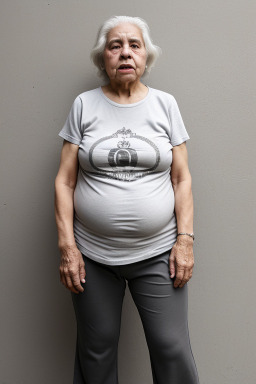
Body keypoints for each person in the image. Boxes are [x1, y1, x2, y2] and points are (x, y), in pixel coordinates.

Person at [55, 15, 200, 384]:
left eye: (134, 45)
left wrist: (185, 240)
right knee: (97, 348)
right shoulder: (84, 105)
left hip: (157, 253)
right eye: (115, 45)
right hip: (93, 254)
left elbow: (181, 178)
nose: (125, 53)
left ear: (146, 56)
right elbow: (65, 180)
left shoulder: (166, 105)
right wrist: (68, 247)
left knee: (171, 347)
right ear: (102, 58)